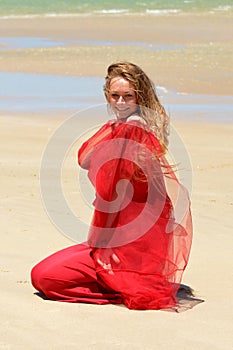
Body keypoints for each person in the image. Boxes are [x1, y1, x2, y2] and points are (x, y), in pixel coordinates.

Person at [31, 62, 192, 310]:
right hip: (113, 239)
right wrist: (117, 127)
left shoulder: (135, 132)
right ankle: (121, 281)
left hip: (132, 243)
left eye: (128, 96)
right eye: (114, 96)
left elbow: (107, 187)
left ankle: (122, 289)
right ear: (107, 95)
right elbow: (85, 159)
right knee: (42, 273)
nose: (120, 103)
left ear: (139, 97)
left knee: (45, 277)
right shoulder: (120, 128)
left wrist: (127, 127)